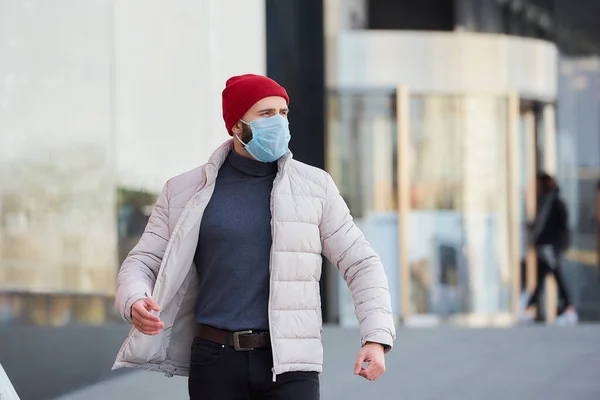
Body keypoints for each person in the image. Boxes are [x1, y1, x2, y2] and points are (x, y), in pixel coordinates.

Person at [112, 74, 396, 399]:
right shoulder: (184, 192)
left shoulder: (315, 188)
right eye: (265, 114)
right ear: (236, 126)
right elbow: (142, 262)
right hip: (215, 362)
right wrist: (134, 300)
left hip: (291, 365)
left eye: (283, 112)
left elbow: (361, 263)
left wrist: (375, 337)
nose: (278, 122)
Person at [520, 172, 577, 325]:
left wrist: (556, 245)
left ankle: (567, 308)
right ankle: (530, 307)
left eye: (538, 184)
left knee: (555, 278)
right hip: (545, 247)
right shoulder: (545, 202)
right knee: (545, 278)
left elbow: (559, 228)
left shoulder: (554, 203)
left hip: (550, 248)